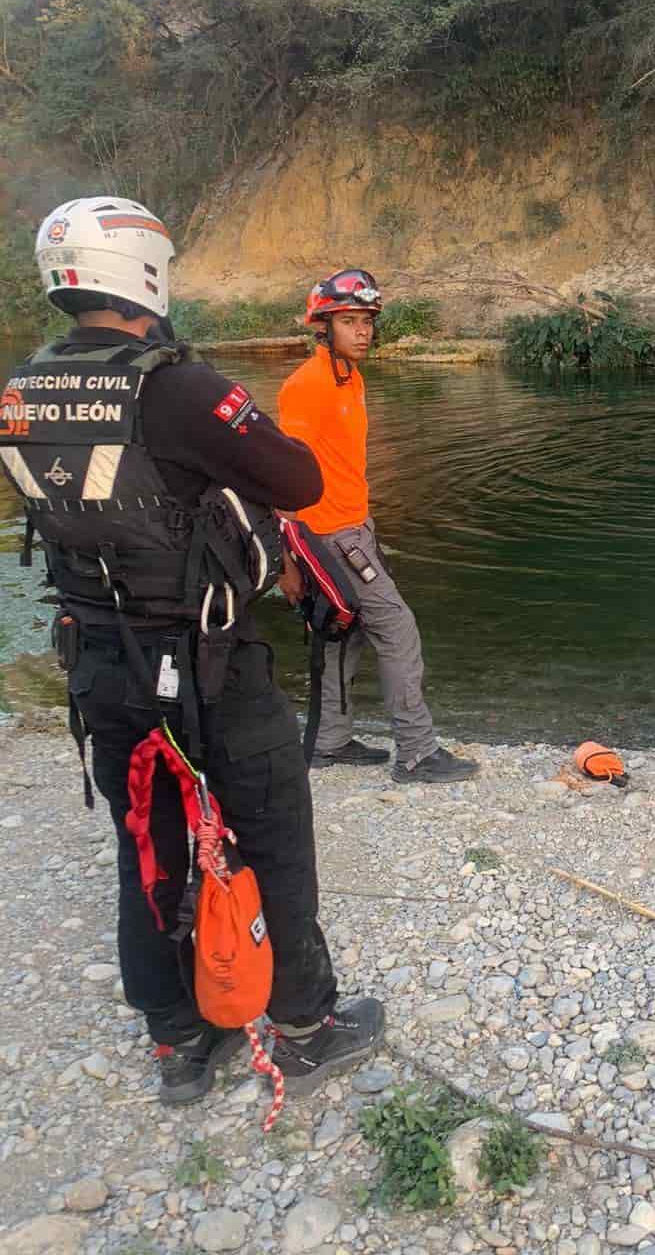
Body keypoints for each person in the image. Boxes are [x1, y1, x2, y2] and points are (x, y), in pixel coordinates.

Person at [0, 198, 384, 1105]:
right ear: (144, 269)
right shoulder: (174, 384)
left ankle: (179, 1041)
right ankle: (303, 1024)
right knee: (272, 830)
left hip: (97, 654)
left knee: (148, 841)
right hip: (206, 656)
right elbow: (296, 477)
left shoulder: (19, 388)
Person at [277, 269, 479, 783]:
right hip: (328, 535)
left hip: (354, 528)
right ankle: (416, 754)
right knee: (399, 631)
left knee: (344, 635)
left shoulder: (350, 376)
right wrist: (288, 562)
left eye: (367, 321)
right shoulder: (307, 386)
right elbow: (280, 478)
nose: (363, 331)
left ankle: (330, 742)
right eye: (349, 321)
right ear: (324, 326)